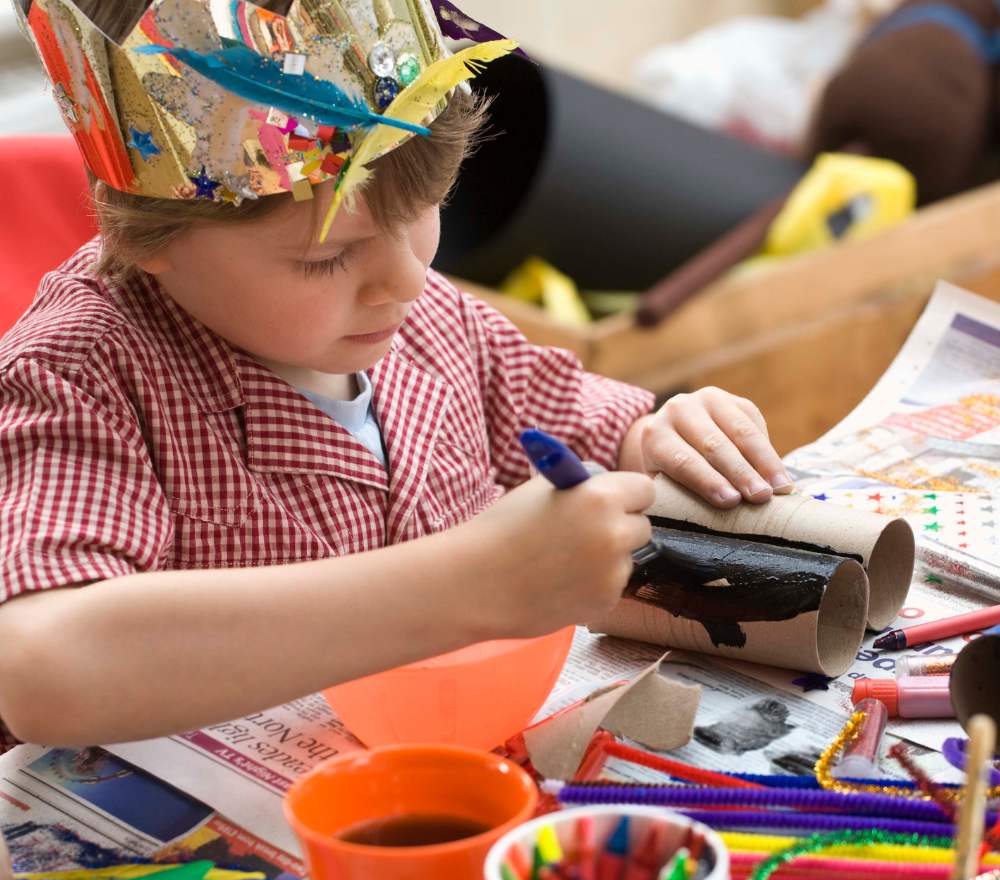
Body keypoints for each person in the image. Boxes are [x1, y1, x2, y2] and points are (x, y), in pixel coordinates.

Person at [0, 0, 792, 749]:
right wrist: (461, 586)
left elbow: (594, 431)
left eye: (423, 211)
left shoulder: (425, 315)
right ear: (150, 237)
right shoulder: (85, 374)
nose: (406, 282)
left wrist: (662, 435)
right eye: (328, 257)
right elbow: (42, 668)